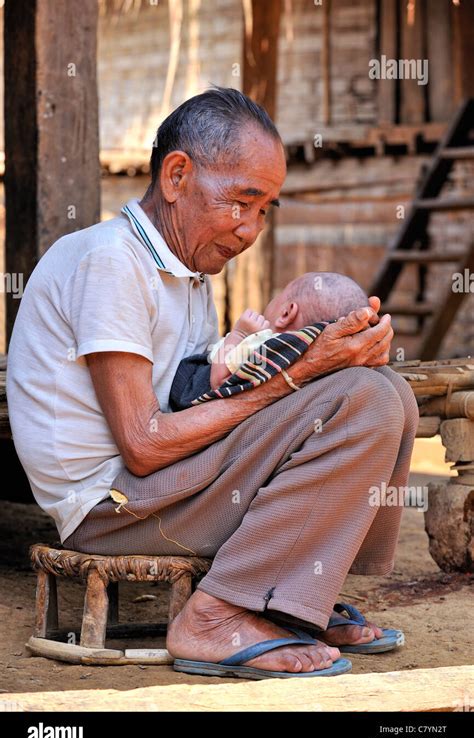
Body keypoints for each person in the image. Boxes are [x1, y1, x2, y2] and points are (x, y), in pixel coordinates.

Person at [7, 87, 418, 679]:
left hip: (163, 485)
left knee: (387, 390)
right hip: (111, 505)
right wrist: (300, 376)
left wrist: (337, 357)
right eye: (241, 202)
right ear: (176, 176)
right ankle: (215, 618)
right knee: (365, 398)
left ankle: (295, 603)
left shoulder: (188, 272)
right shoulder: (110, 261)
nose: (250, 229)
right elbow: (145, 446)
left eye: (264, 209)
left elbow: (201, 398)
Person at [169, 272, 369, 410]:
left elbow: (219, 381)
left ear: (286, 312)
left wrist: (238, 335)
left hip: (190, 392)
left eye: (279, 295)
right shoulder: (305, 356)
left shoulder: (262, 344)